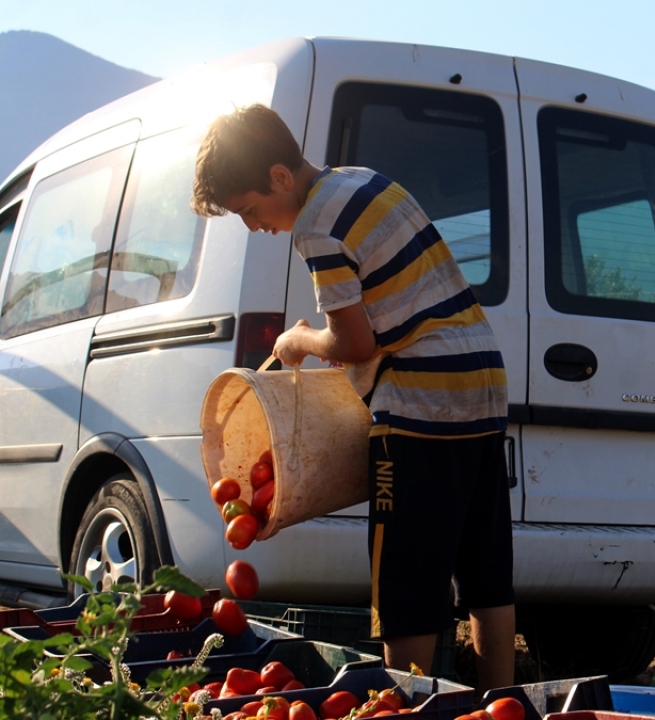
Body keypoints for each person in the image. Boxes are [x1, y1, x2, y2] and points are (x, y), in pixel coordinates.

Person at [191, 104, 515, 692]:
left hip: (421, 407)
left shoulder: (317, 226)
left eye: (249, 210)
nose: (255, 226)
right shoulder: (365, 181)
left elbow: (355, 341)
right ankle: (501, 701)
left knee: (406, 587)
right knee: (486, 576)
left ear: (280, 178)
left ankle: (406, 703)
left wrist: (298, 340)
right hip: (483, 388)